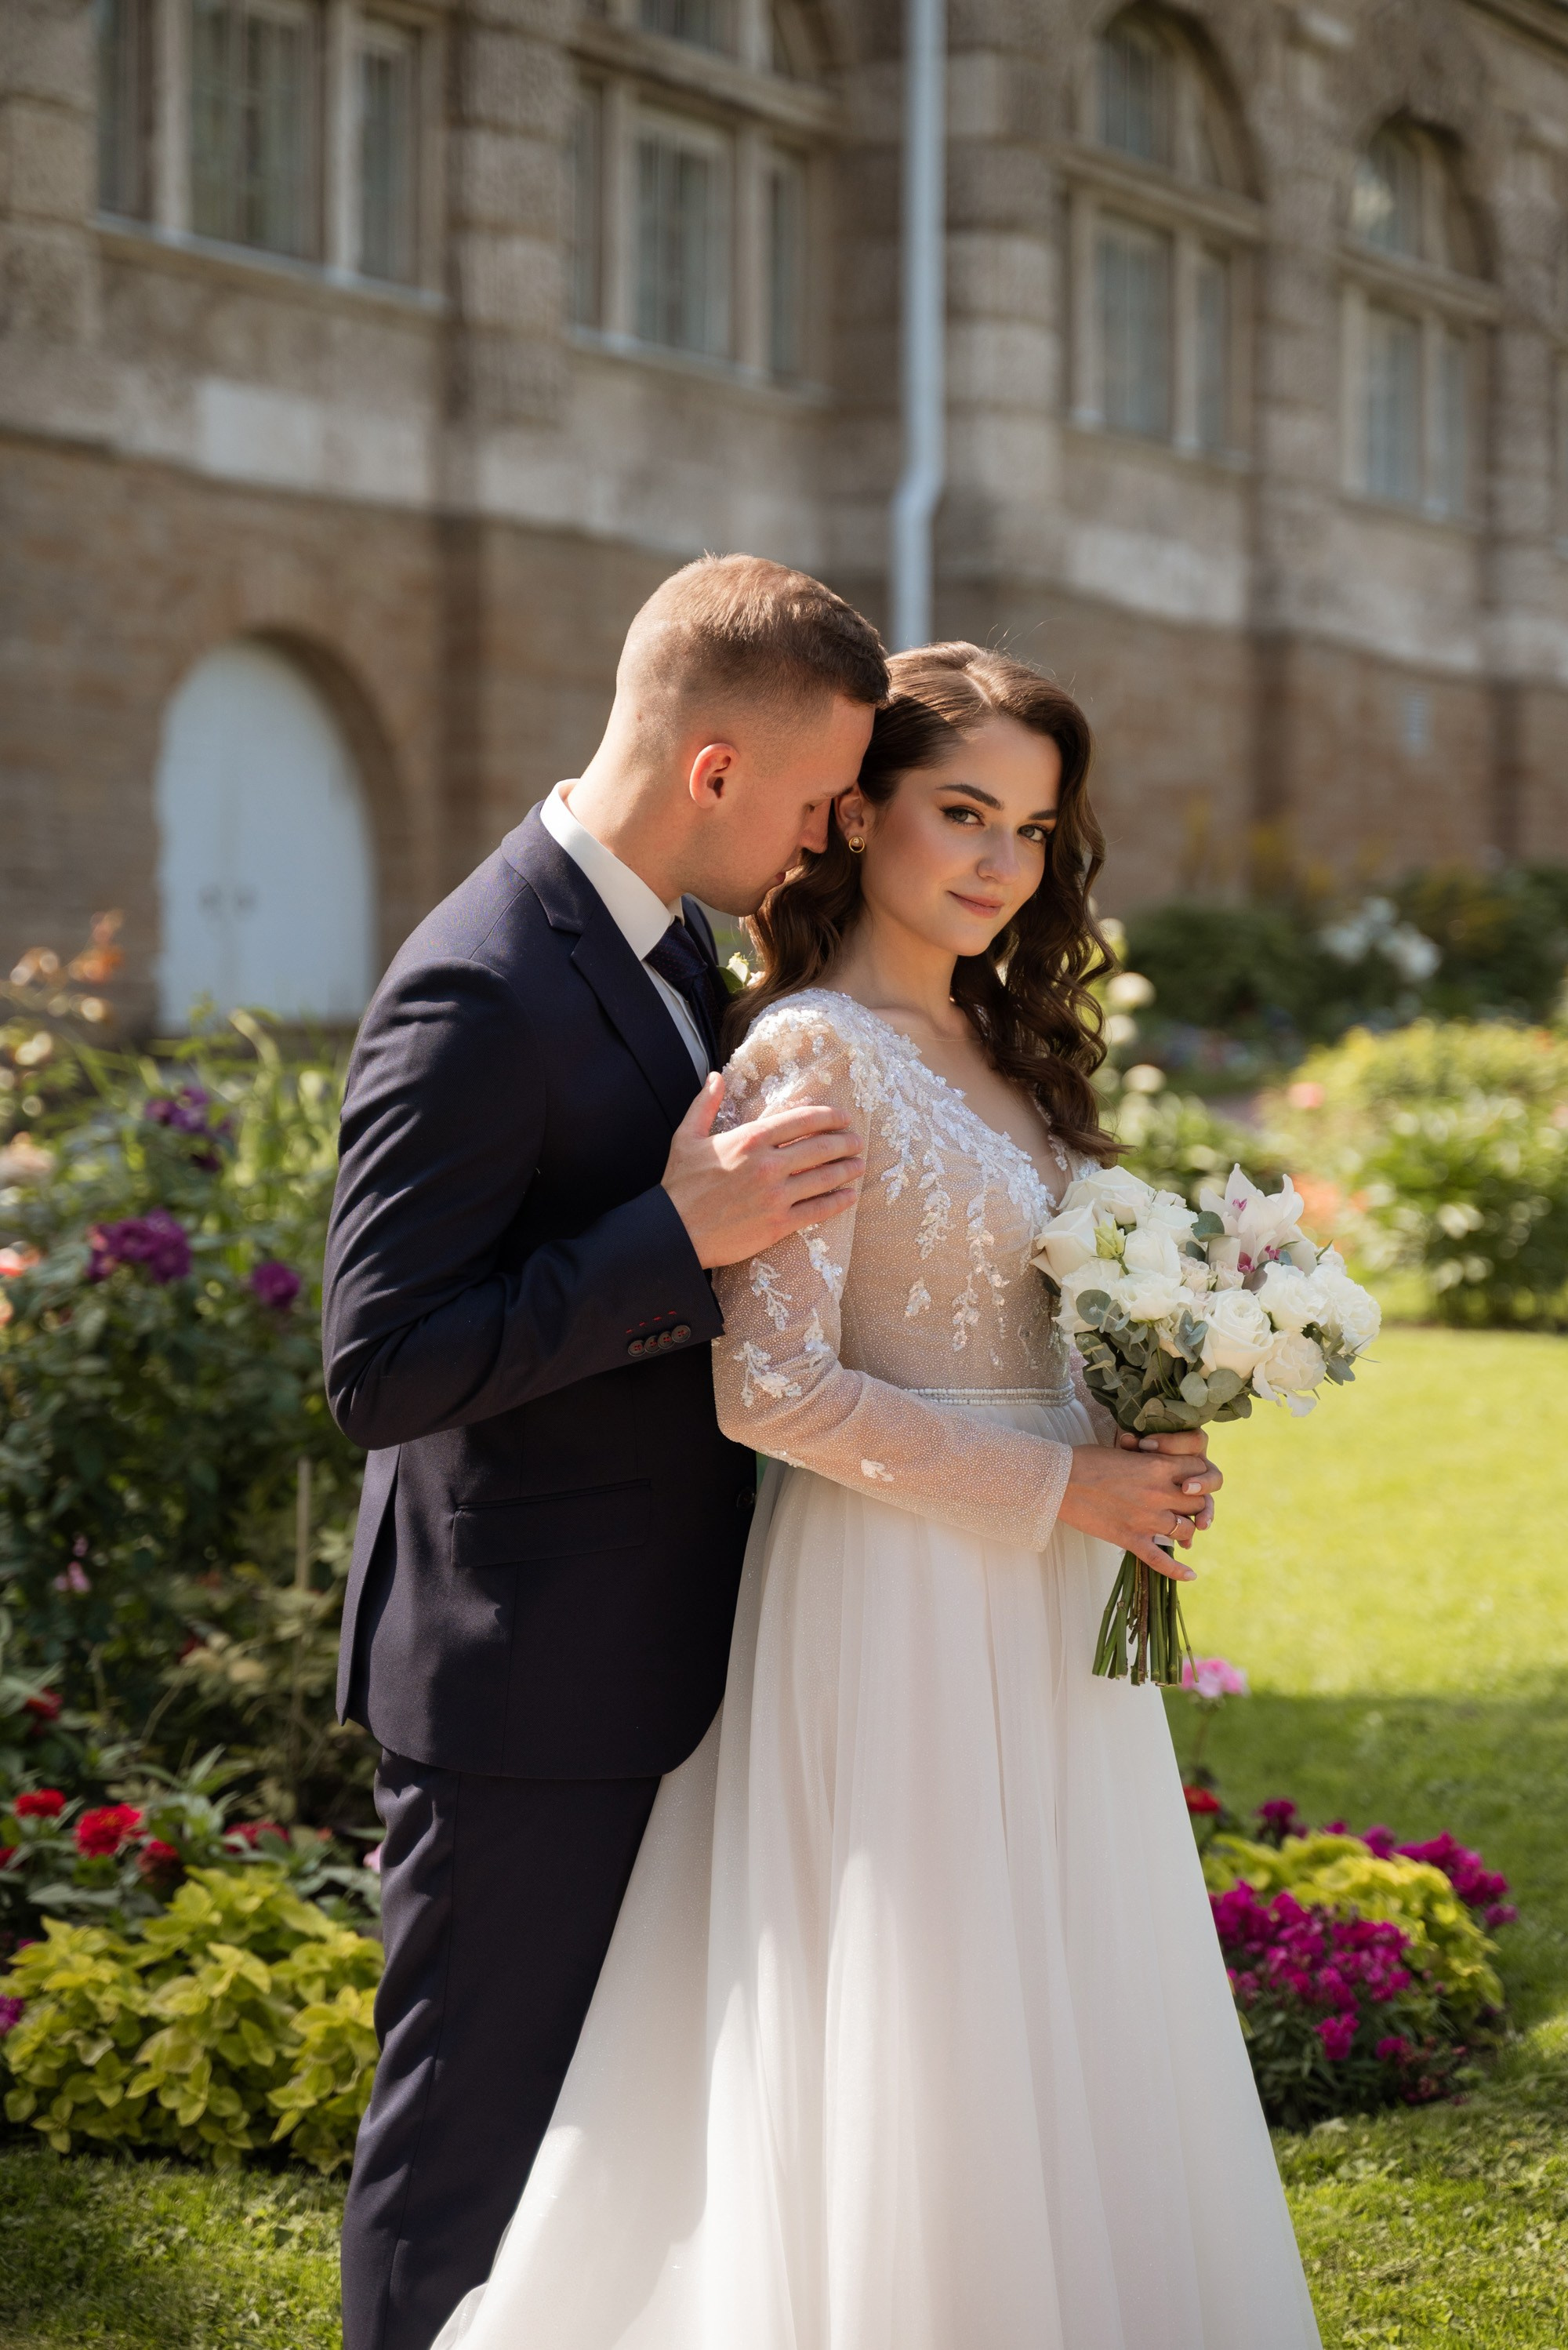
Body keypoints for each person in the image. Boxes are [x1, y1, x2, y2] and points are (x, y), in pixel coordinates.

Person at [425, 644, 1320, 2350]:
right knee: (929, 2025)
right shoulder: (808, 1058)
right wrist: (1062, 1478)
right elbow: (767, 1385)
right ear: (862, 817)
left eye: (1033, 829)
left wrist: (1152, 1412)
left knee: (1061, 2004)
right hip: (898, 1597)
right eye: (960, 810)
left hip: (1049, 1597)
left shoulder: (1006, 1043)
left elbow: (1033, 1310)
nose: (996, 859)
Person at [323, 553, 889, 2350]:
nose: (824, 840)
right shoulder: (475, 984)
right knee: (471, 2149)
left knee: (602, 2148)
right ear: (713, 771)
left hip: (648, 1654)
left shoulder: (670, 941)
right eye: (812, 802)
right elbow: (382, 1362)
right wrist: (673, 1237)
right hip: (517, 1683)